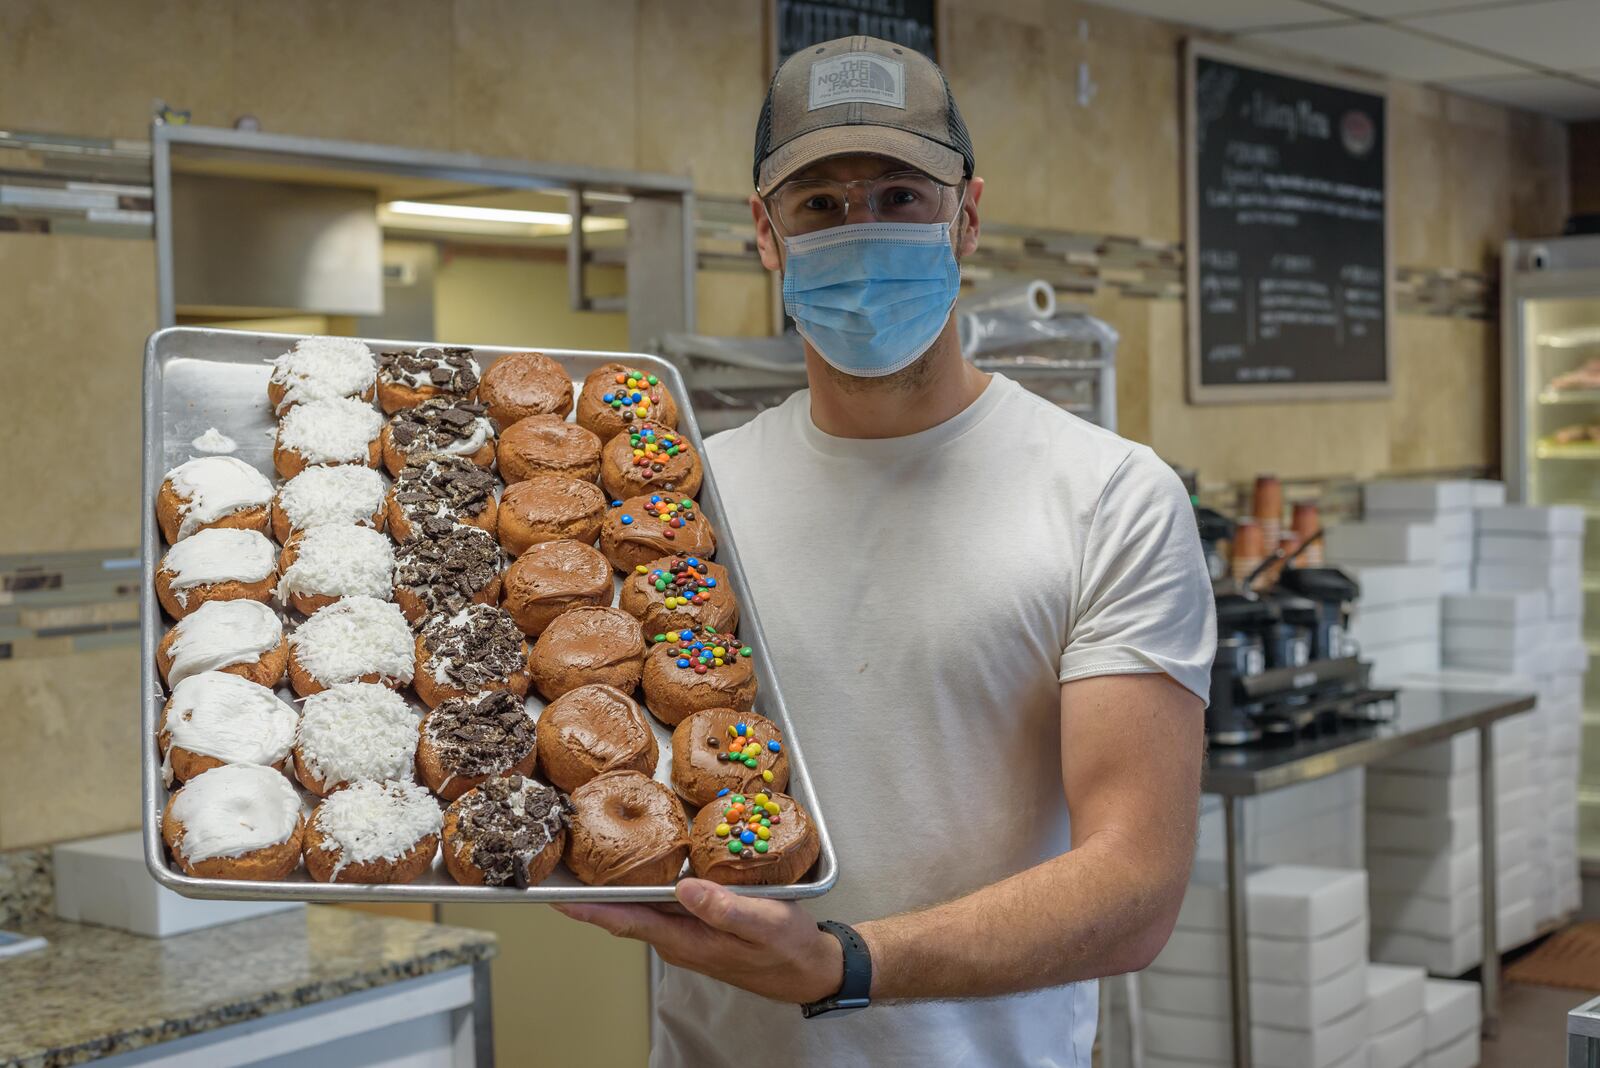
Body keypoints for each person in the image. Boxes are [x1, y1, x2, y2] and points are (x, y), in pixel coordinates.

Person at [553, 34, 1215, 1067]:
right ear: (765, 236)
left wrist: (844, 965)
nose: (859, 230)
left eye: (900, 197)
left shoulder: (1107, 496)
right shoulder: (692, 500)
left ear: (968, 216)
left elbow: (1135, 889)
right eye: (819, 205)